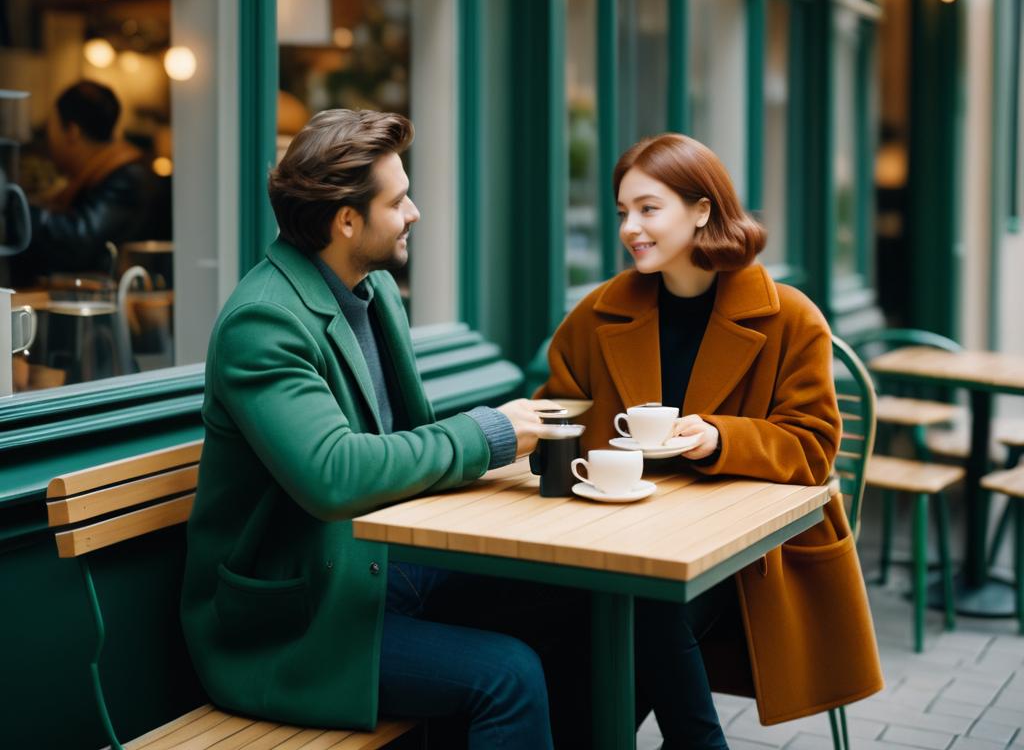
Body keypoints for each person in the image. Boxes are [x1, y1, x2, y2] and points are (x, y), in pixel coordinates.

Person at [181, 108, 574, 748]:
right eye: (400, 200)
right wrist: (491, 433)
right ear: (347, 221)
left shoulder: (373, 288)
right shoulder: (263, 323)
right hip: (298, 620)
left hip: (378, 566)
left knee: (579, 599)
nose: (414, 212)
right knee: (509, 676)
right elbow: (335, 476)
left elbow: (398, 447)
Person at [536, 133, 883, 747]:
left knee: (640, 607)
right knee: (612, 609)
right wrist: (540, 442)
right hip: (621, 540)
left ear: (702, 210)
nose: (630, 228)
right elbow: (555, 410)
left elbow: (812, 449)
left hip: (746, 560)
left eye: (648, 208)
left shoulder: (791, 318)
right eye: (623, 212)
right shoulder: (598, 314)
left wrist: (718, 439)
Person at [12, 80, 155, 281]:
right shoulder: (105, 174)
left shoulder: (127, 177)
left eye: (50, 129)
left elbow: (78, 240)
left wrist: (14, 208)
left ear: (72, 132)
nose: (49, 141)